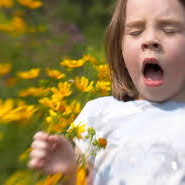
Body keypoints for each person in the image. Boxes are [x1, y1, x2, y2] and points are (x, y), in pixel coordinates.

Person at [28, 0, 185, 184]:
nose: (150, 40)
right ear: (119, 46)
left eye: (169, 30)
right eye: (135, 32)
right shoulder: (99, 114)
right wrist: (68, 173)